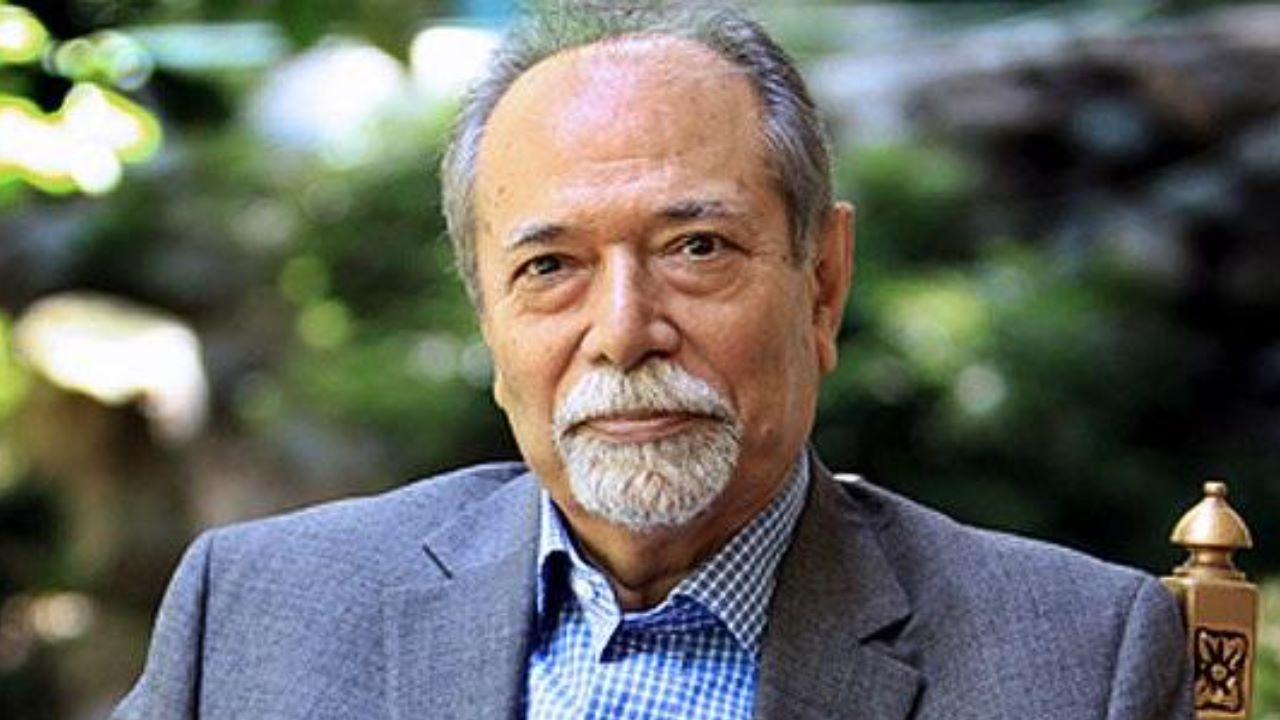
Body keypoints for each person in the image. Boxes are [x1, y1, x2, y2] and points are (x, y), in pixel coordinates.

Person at [114, 2, 1192, 718]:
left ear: (821, 283)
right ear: (487, 316)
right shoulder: (257, 612)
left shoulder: (1071, 660)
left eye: (696, 249)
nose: (625, 331)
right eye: (550, 267)